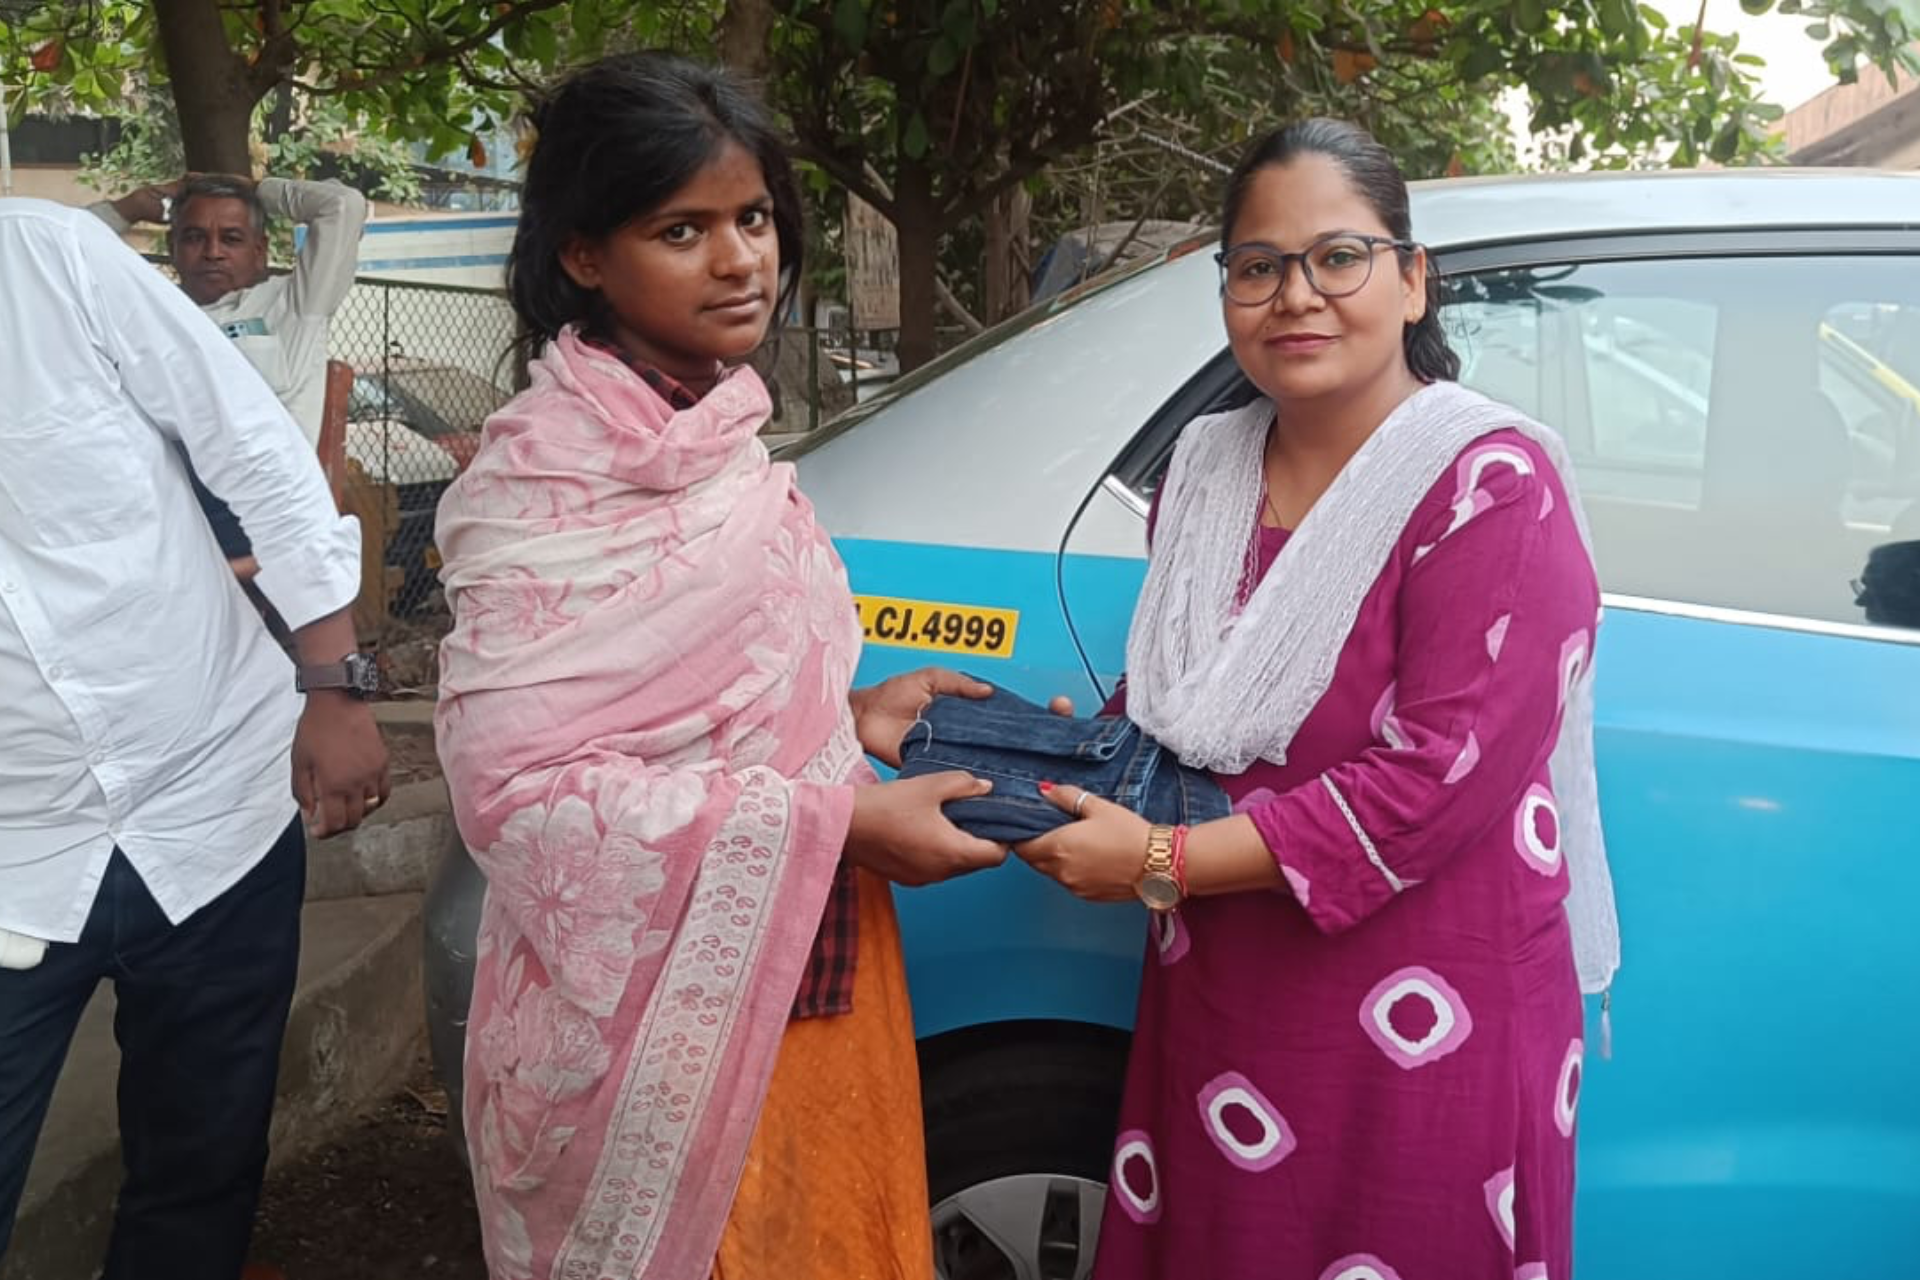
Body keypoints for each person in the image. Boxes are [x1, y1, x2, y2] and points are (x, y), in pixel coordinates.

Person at [1012, 119, 1621, 1280]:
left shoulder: (1491, 482)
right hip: (1225, 985)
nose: (1296, 295)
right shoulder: (1204, 471)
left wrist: (1160, 860)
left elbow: (1435, 779)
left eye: (1338, 256)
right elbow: (1181, 699)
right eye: (1258, 266)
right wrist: (1052, 756)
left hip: (1425, 1007)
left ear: (1412, 278)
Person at [432, 53, 1004, 1280]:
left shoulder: (719, 434)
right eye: (681, 230)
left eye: (753, 218)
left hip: (816, 974)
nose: (740, 259)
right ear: (586, 254)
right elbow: (517, 795)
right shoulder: (543, 484)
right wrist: (837, 822)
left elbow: (713, 699)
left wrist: (852, 714)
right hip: (655, 1050)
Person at [0, 198, 389, 1277]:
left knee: (201, 1176)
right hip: (16, 850)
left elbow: (252, 447)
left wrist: (334, 683)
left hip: (214, 798)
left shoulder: (47, 257)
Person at [95, 172, 370, 573]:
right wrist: (129, 208)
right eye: (194, 238)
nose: (213, 252)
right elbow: (46, 257)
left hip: (259, 512)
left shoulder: (293, 305)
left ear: (259, 251)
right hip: (163, 507)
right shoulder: (149, 312)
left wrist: (253, 186)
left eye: (231, 238)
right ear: (172, 248)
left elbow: (342, 206)